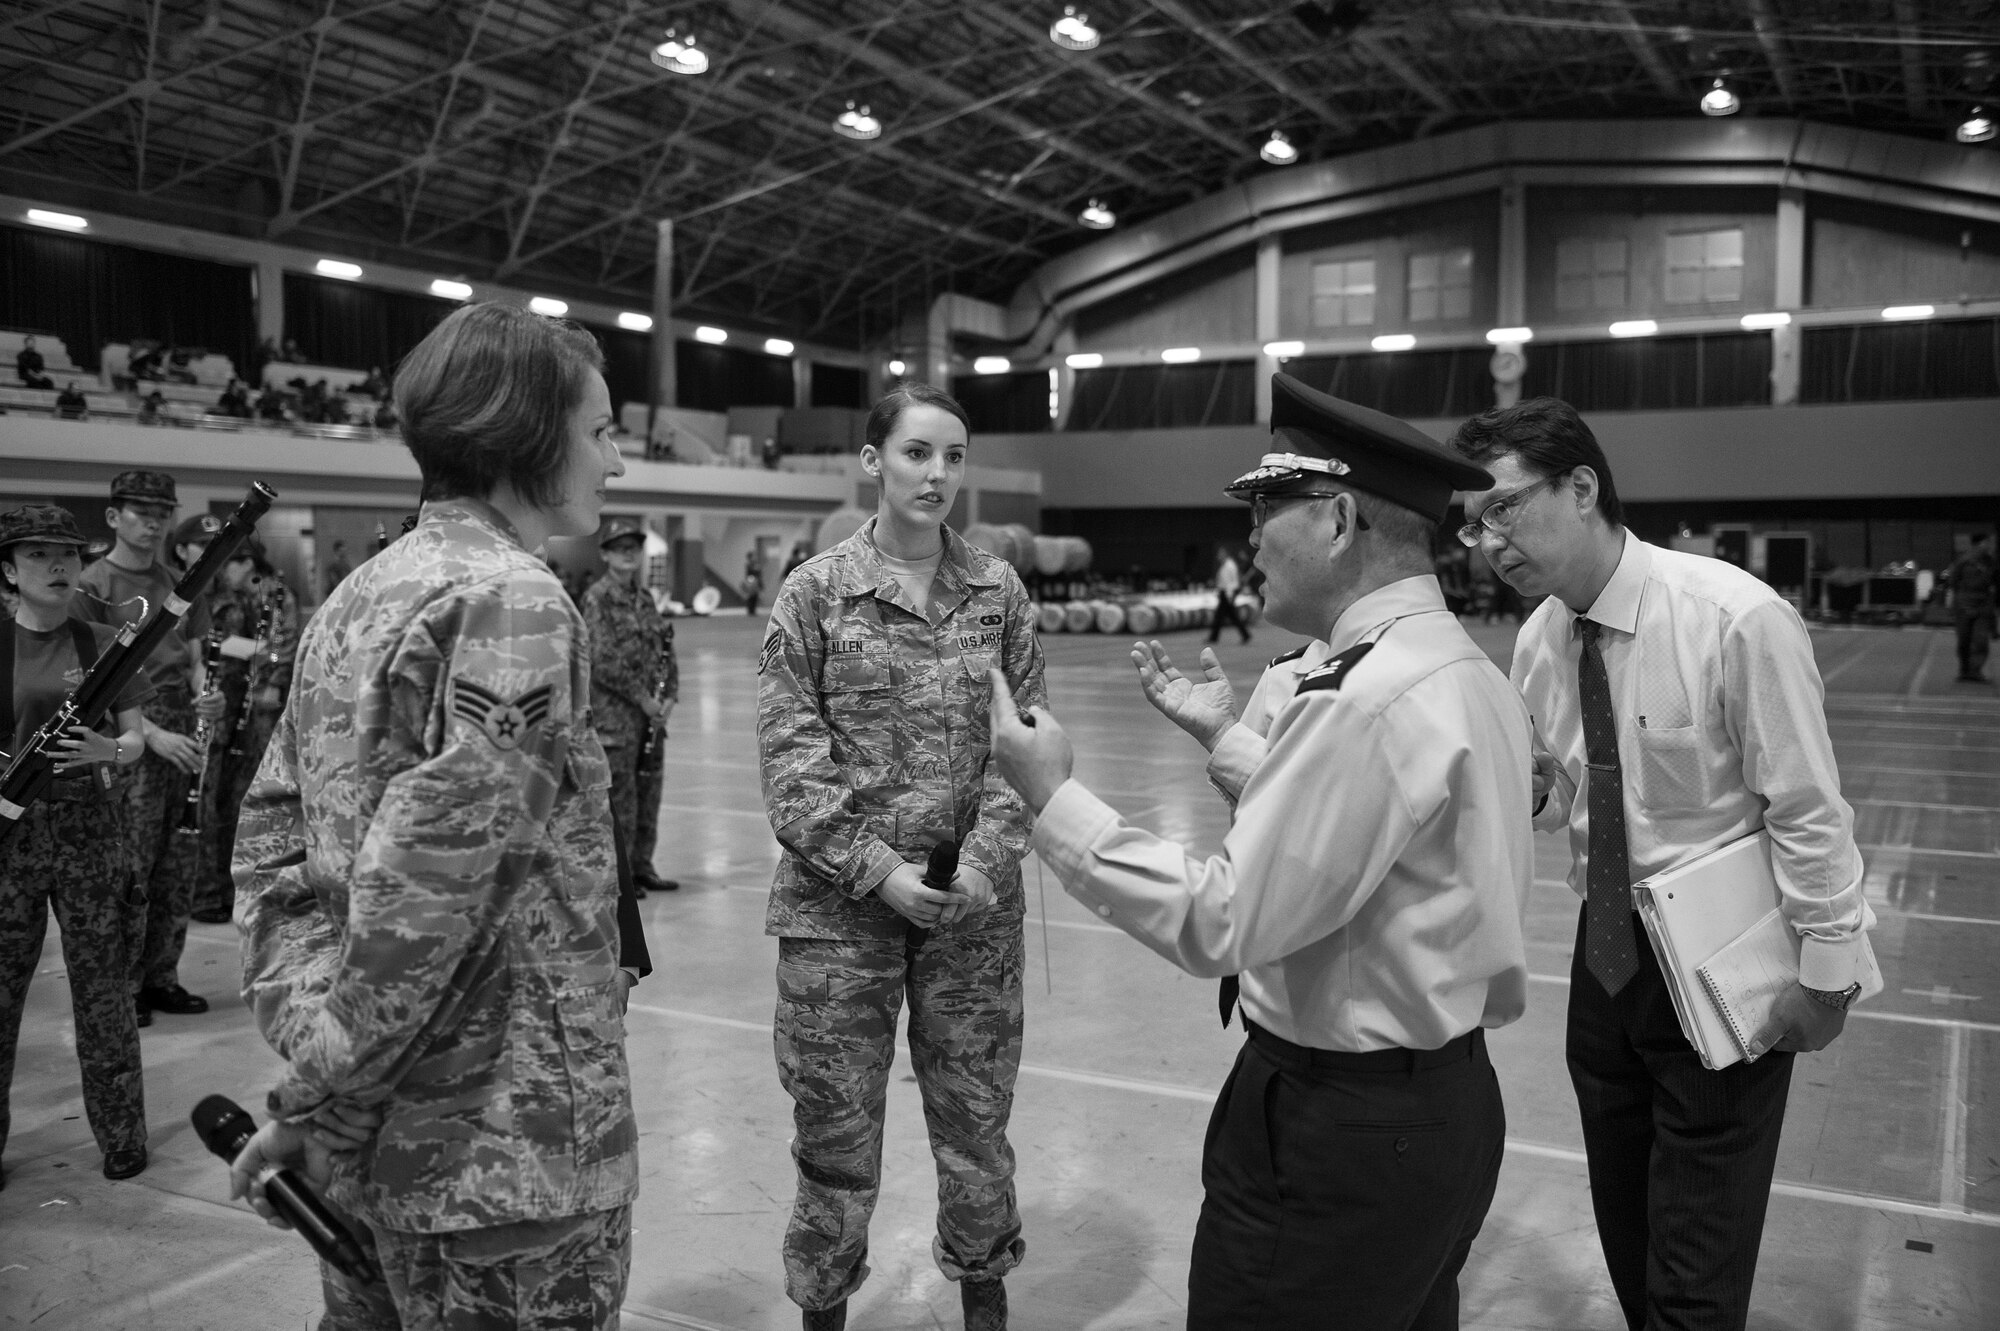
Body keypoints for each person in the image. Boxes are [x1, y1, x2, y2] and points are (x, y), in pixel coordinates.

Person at [991, 372, 1534, 1331]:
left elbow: (1225, 917)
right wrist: (1231, 741)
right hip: (1439, 1108)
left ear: (1335, 519)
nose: (1249, 534)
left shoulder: (1364, 699)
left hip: (1342, 1132)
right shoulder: (1457, 669)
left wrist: (1052, 796)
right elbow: (1367, 841)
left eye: (1267, 506)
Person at [229, 301, 642, 1329]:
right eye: (600, 432)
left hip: (373, 1151)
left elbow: (276, 848)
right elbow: (427, 910)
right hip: (502, 1161)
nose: (618, 463)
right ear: (529, 435)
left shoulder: (361, 594)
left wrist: (319, 1083)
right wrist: (317, 1102)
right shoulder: (514, 601)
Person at [1447, 396, 1875, 1331]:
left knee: (1694, 1276)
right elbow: (1562, 788)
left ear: (1583, 485)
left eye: (1504, 509)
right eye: (1474, 523)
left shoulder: (1733, 617)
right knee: (1632, 1240)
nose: (1487, 542)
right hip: (1607, 973)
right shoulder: (1540, 639)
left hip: (1725, 968)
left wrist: (1829, 979)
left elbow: (1808, 809)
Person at [758, 383, 1045, 1331]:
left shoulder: (998, 593)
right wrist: (877, 867)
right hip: (842, 918)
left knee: (976, 1132)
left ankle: (983, 1304)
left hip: (968, 915)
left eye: (954, 456)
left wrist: (984, 867)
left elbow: (1025, 751)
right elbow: (792, 761)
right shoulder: (814, 593)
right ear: (874, 460)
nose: (938, 474)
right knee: (835, 1138)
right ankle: (823, 1311)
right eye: (919, 452)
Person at [0, 505, 153, 1188]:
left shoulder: (103, 642)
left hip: (90, 830)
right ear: (9, 570)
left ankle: (123, 1136)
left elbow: (135, 737)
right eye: (38, 554)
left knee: (105, 992)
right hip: (12, 835)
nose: (58, 565)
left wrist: (107, 750)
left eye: (65, 553)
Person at [76, 470, 223, 1027]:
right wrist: (152, 736)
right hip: (127, 729)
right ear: (114, 517)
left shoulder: (180, 583)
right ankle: (128, 983)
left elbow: (195, 657)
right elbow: (88, 680)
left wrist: (208, 700)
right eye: (141, 511)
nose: (155, 521)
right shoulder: (91, 584)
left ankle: (164, 974)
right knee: (132, 865)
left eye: (162, 511)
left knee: (179, 860)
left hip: (183, 728)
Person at [191, 539, 298, 925]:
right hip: (218, 705)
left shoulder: (270, 594)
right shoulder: (208, 594)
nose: (232, 570)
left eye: (238, 562)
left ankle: (240, 885)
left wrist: (270, 672)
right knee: (210, 799)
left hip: (254, 708)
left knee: (246, 796)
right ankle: (207, 889)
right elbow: (198, 645)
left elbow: (280, 646)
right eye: (229, 563)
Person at [583, 518, 680, 895]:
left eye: (634, 548)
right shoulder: (596, 599)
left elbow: (665, 651)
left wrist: (670, 696)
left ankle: (642, 867)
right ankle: (620, 876)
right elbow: (602, 659)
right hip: (617, 720)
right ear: (605, 554)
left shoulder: (644, 600)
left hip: (651, 720)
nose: (629, 553)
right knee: (620, 800)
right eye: (620, 547)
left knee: (648, 794)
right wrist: (644, 699)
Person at [1946, 531, 1996, 683]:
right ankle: (1964, 670)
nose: (1990, 546)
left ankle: (1975, 671)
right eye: (1987, 542)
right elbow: (1953, 582)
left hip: (1983, 604)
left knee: (1981, 640)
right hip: (1964, 603)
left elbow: (1994, 582)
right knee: (1964, 640)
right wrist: (1952, 603)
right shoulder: (1963, 561)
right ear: (1979, 543)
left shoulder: (1990, 561)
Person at [1204, 545, 1251, 645]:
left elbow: (1233, 582)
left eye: (1220, 553)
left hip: (1227, 593)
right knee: (1228, 616)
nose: (1218, 556)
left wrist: (1229, 595)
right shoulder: (1225, 565)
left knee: (1223, 616)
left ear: (1225, 554)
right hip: (1224, 593)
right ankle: (1245, 634)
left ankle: (1214, 637)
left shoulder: (1230, 565)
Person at [742, 546, 766, 618]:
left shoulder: (756, 564)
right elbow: (749, 573)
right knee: (751, 596)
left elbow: (759, 573)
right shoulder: (749, 565)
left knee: (755, 596)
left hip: (756, 581)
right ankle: (750, 609)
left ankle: (753, 609)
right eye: (753, 556)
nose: (754, 557)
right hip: (751, 581)